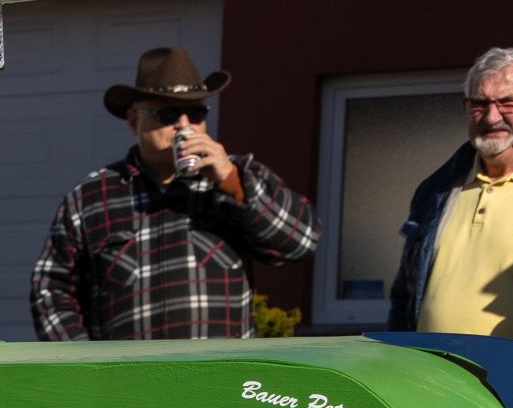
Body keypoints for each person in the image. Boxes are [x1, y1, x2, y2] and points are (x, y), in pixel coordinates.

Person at [30, 46, 318, 341]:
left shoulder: (236, 178)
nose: (184, 125)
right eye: (168, 114)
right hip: (128, 370)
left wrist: (230, 181)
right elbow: (51, 290)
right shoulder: (92, 197)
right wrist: (85, 361)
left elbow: (301, 241)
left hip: (217, 369)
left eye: (196, 113)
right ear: (134, 121)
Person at [391, 46, 513, 342]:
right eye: (478, 104)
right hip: (431, 368)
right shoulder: (437, 189)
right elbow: (405, 293)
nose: (491, 117)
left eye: (508, 102)